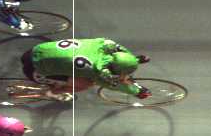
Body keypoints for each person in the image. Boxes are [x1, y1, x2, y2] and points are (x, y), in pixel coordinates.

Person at [22, 38, 152, 101]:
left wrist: (135, 59)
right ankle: (53, 92)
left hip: (36, 50)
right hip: (35, 70)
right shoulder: (97, 71)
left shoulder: (103, 43)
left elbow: (120, 49)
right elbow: (114, 85)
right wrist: (137, 91)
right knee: (86, 84)